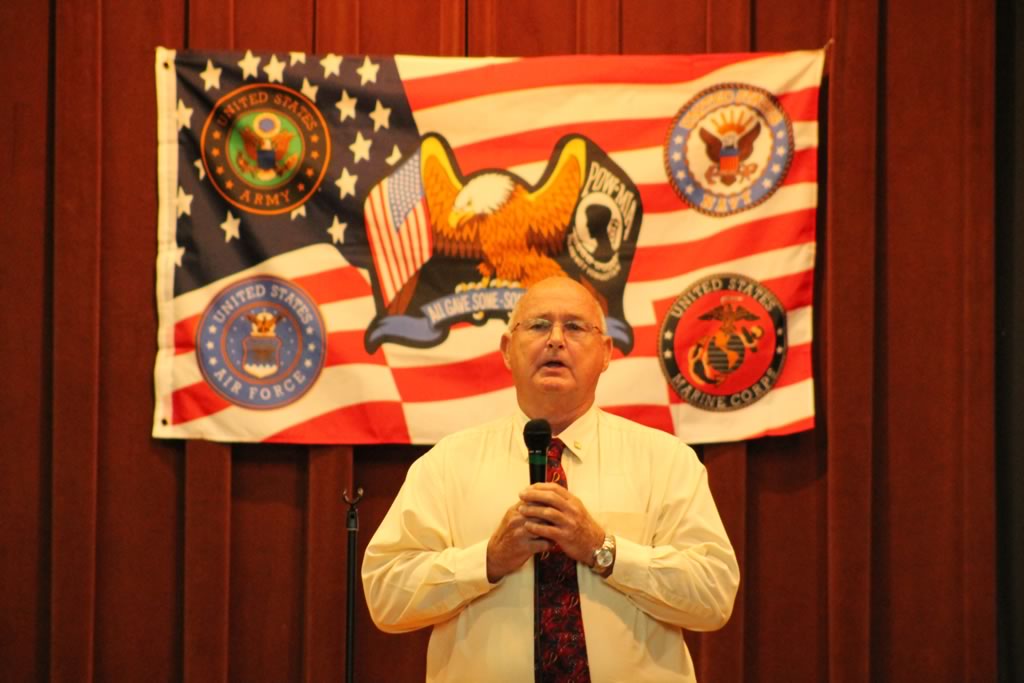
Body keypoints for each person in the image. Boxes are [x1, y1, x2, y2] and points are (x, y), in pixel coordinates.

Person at [362, 276, 740, 682]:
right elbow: (385, 595)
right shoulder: (445, 465)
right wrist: (487, 560)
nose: (556, 340)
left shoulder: (666, 461)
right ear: (507, 350)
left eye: (574, 327)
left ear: (606, 352)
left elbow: (713, 595)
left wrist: (603, 549)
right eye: (539, 325)